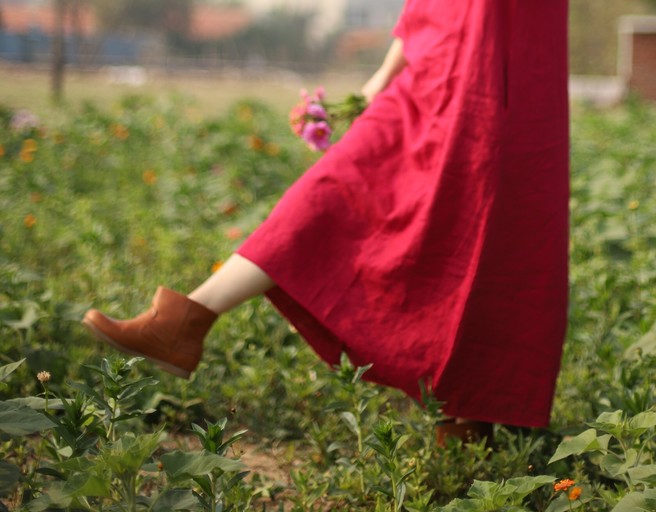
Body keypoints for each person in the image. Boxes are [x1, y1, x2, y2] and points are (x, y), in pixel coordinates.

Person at [84, 0, 570, 443]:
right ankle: (186, 319)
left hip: (483, 80)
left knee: (492, 234)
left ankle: (467, 419)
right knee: (336, 193)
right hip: (448, 72)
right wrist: (384, 76)